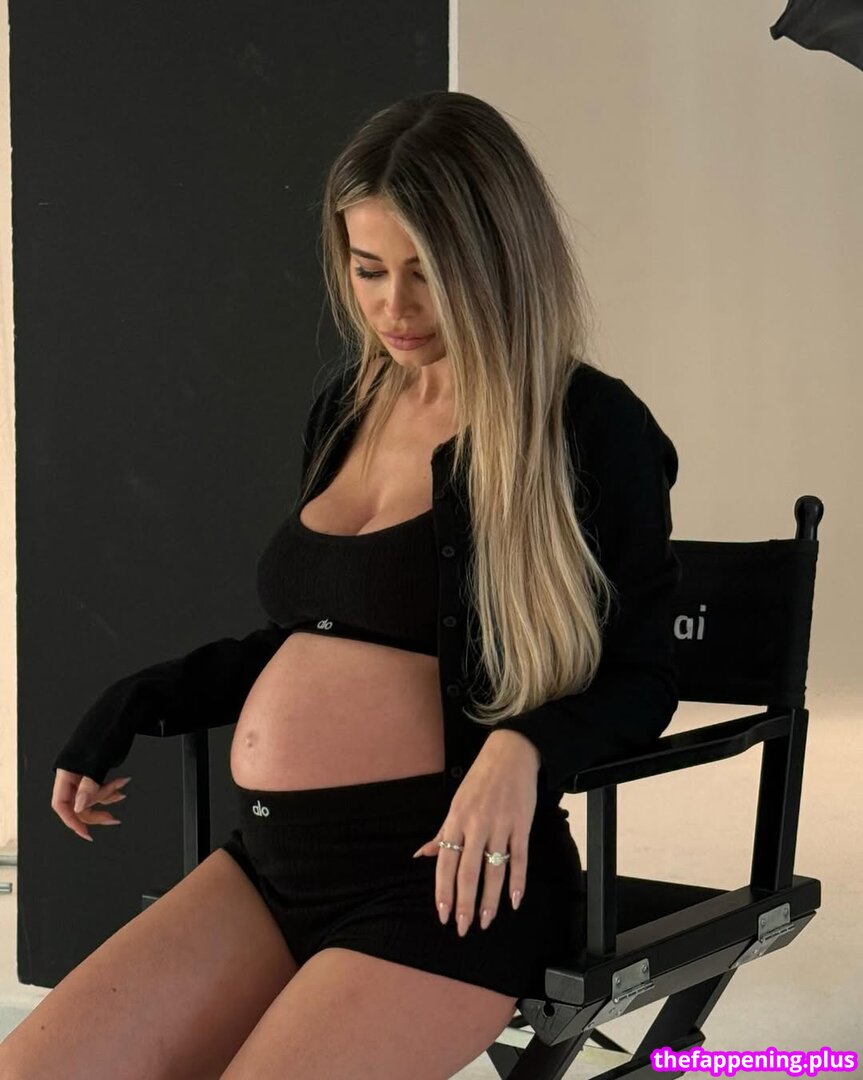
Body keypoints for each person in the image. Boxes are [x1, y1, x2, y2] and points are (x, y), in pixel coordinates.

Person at [2, 90, 682, 1079]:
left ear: (498, 260)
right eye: (368, 270)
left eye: (427, 272)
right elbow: (320, 634)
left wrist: (523, 749)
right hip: (272, 867)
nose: (393, 307)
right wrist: (138, 699)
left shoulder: (585, 425)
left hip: (445, 883)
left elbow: (643, 675)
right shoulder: (348, 405)